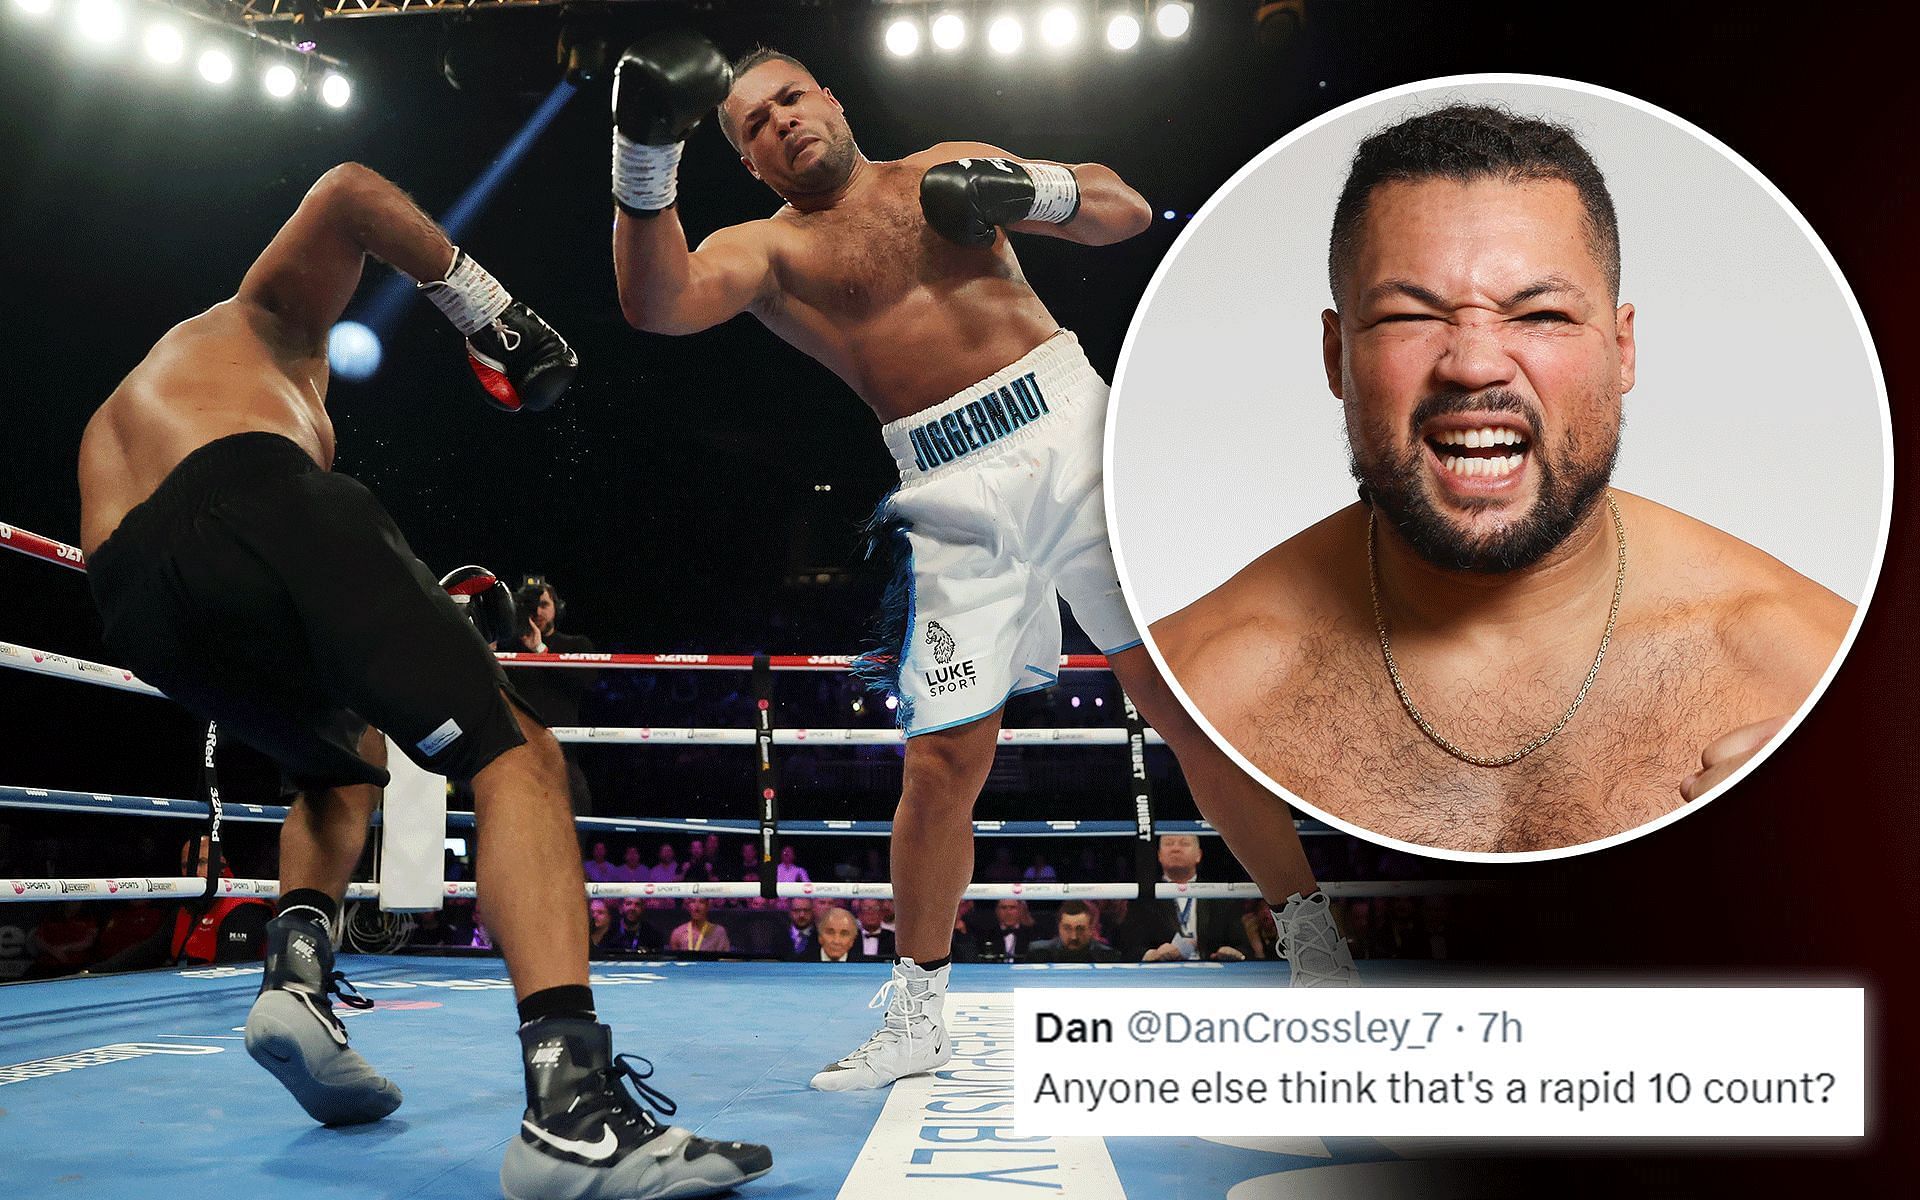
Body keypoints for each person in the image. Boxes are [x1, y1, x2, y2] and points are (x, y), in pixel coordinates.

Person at [605, 32, 1358, 1091]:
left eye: (788, 98)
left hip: (1074, 437)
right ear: (749, 161)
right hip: (948, 490)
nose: (782, 122)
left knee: (1183, 707)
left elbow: (1125, 208)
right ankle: (918, 1015)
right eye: (755, 125)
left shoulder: (938, 168)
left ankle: (1314, 947)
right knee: (940, 764)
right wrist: (643, 159)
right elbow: (658, 301)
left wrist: (1027, 189)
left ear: (829, 92)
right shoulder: (767, 252)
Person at [76, 163, 769, 1197]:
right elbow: (350, 191)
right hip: (249, 492)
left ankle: (297, 976)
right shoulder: (268, 321)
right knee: (514, 751)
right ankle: (571, 1116)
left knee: (342, 758)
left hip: (135, 604)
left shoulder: (152, 395)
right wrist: (491, 313)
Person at [1151, 104, 1855, 853]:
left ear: (1622, 352)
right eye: (1406, 317)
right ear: (1337, 357)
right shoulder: (1205, 679)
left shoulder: (1817, 674)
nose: (1475, 363)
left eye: (1541, 313)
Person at [503, 578, 598, 815]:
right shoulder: (507, 648)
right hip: (517, 756)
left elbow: (589, 681)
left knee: (576, 824)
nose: (538, 611)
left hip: (563, 756)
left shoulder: (576, 644)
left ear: (557, 607)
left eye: (544, 604)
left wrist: (540, 651)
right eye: (530, 605)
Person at [1112, 835, 1255, 963]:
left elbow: (1243, 948)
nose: (1176, 848)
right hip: (1162, 976)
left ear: (1198, 855)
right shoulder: (1144, 898)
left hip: (1214, 974)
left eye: (1184, 843)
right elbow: (1129, 949)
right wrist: (1153, 954)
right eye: (1169, 843)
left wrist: (1234, 954)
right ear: (1159, 855)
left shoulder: (1220, 896)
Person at [1026, 901, 1119, 964]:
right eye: (1067, 928)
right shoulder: (1038, 953)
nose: (1074, 936)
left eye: (1080, 929)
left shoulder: (1108, 957)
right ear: (1059, 928)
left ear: (1091, 929)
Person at [977, 898, 1035, 963]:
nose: (1008, 912)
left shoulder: (1032, 934)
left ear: (1020, 910)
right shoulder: (985, 935)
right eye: (1003, 908)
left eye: (1013, 908)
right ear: (997, 911)